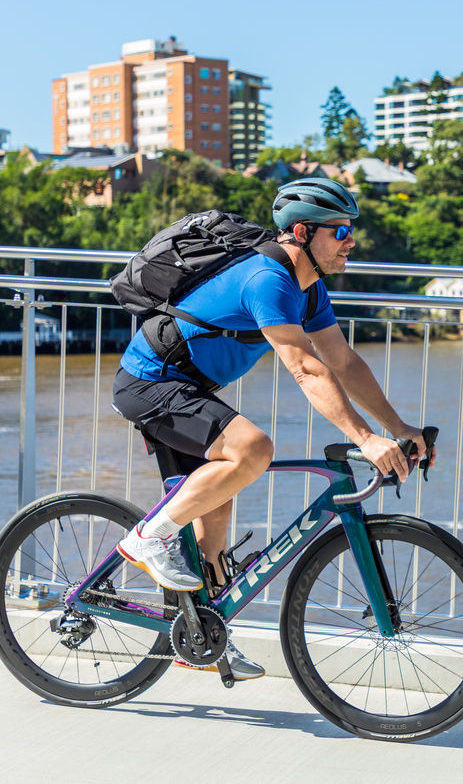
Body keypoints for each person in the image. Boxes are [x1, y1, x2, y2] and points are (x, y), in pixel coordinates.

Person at [111, 177, 432, 680]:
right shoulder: (268, 279)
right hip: (151, 382)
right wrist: (366, 440)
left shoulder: (309, 289)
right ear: (302, 232)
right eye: (341, 232)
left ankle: (202, 636)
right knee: (253, 449)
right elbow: (305, 367)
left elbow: (342, 361)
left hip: (191, 387)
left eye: (350, 232)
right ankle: (149, 538)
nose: (351, 242)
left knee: (218, 509)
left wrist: (399, 427)